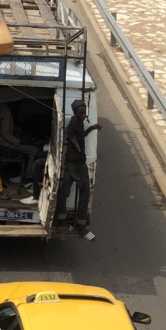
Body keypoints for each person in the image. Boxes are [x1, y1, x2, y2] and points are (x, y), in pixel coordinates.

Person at [55, 99, 101, 240]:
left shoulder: (79, 123)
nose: (83, 115)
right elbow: (65, 137)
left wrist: (92, 128)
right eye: (80, 113)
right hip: (73, 164)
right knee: (65, 192)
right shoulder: (73, 124)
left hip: (79, 163)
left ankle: (78, 223)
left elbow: (81, 136)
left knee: (83, 193)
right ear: (75, 113)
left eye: (84, 112)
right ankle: (65, 221)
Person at [0, 102, 40, 183]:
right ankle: (29, 176)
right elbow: (6, 135)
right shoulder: (6, 113)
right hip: (3, 142)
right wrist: (21, 142)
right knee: (34, 150)